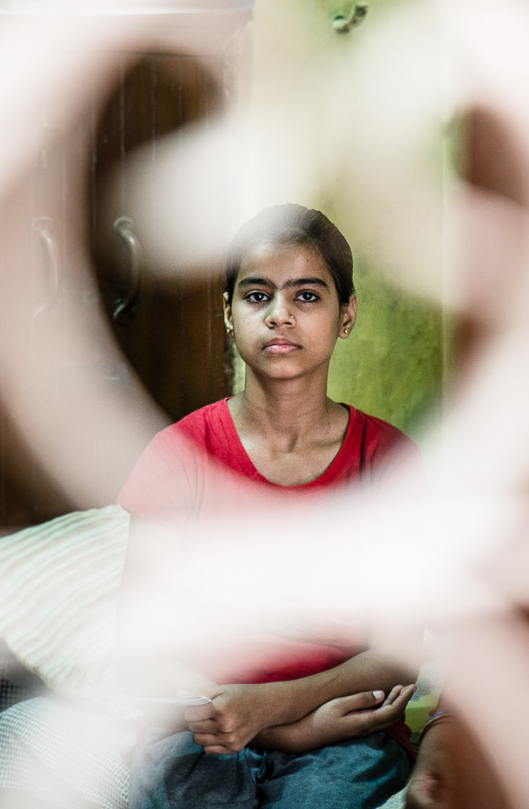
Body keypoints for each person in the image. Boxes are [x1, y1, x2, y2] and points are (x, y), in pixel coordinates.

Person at [117, 204, 419, 809]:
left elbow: (399, 647)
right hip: (198, 732)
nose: (279, 315)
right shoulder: (180, 454)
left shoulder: (385, 460)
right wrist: (283, 725)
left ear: (346, 315)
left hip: (347, 740)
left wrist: (275, 709)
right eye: (257, 296)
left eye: (307, 296)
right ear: (228, 313)